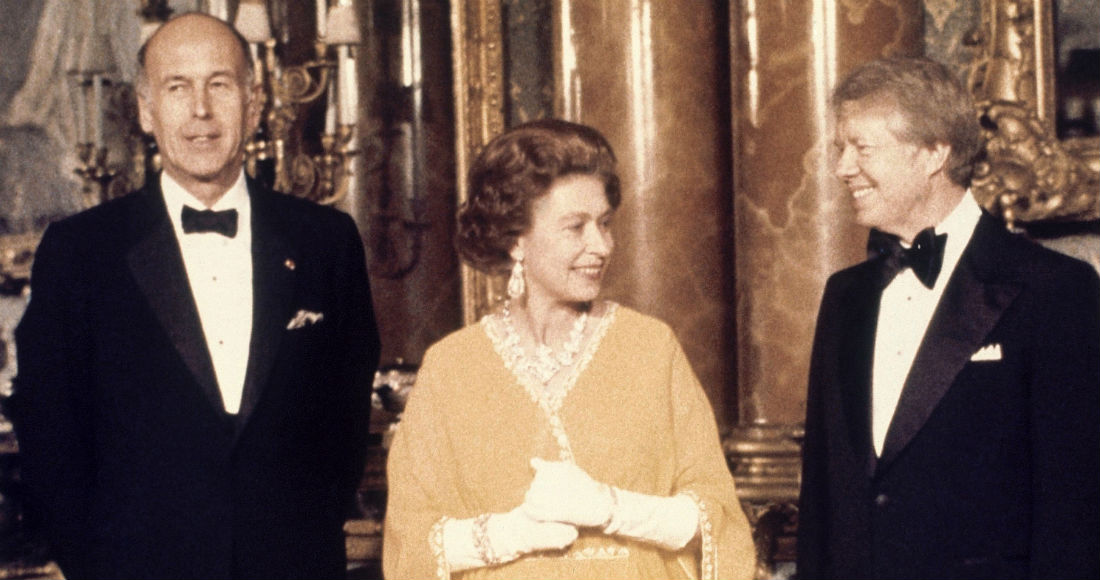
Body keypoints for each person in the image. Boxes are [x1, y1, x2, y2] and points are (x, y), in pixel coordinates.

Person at [6, 13, 381, 579]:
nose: (200, 110)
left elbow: (346, 424)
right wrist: (96, 565)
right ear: (145, 110)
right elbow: (48, 431)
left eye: (220, 85)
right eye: (177, 88)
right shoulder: (80, 252)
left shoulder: (326, 242)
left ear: (254, 105)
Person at [382, 119, 755, 580]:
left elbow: (716, 518)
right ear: (516, 239)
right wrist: (509, 534)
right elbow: (409, 540)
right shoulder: (452, 367)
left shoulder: (649, 348)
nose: (600, 245)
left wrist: (611, 508)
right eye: (575, 227)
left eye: (604, 223)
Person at [797, 56, 1100, 579]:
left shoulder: (1055, 291)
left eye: (861, 148)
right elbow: (823, 498)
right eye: (840, 149)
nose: (843, 167)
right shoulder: (844, 296)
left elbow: (1075, 508)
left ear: (934, 153)